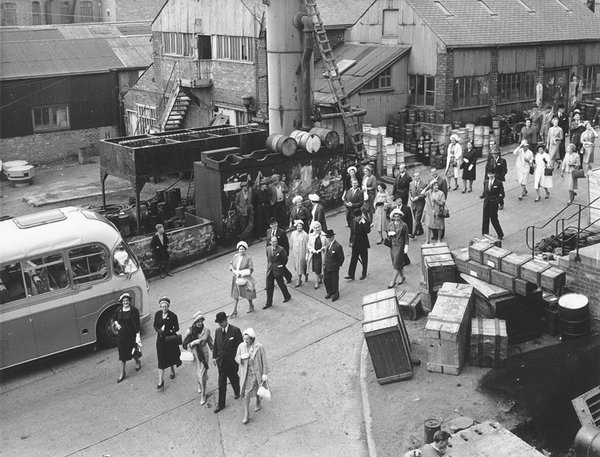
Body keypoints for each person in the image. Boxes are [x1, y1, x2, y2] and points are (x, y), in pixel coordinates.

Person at [235, 328, 269, 425]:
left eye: (248, 339)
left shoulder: (259, 347)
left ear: (252, 338)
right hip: (246, 375)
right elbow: (236, 358)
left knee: (258, 389)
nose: (246, 341)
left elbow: (264, 361)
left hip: (257, 374)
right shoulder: (241, 346)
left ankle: (258, 401)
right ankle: (246, 413)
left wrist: (264, 374)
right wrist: (241, 358)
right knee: (246, 394)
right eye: (244, 339)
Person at [212, 311, 243, 413]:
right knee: (221, 383)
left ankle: (237, 392)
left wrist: (238, 358)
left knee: (233, 377)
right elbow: (215, 345)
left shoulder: (235, 330)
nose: (221, 324)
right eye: (219, 322)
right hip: (221, 361)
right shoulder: (217, 331)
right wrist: (214, 357)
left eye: (222, 321)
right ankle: (221, 404)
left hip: (231, 361)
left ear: (226, 320)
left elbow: (241, 346)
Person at [182, 312, 213, 405]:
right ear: (194, 323)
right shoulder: (190, 331)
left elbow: (208, 342)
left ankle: (203, 394)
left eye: (201, 321)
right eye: (197, 321)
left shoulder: (206, 330)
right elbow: (184, 343)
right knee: (196, 372)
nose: (200, 323)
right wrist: (188, 345)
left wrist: (215, 354)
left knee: (202, 375)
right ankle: (199, 384)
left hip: (203, 355)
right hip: (194, 355)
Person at [153, 297, 181, 390]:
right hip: (160, 340)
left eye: (166, 306)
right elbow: (155, 325)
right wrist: (159, 330)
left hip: (169, 339)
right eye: (162, 306)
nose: (164, 308)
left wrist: (170, 330)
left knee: (170, 356)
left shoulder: (173, 316)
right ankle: (161, 381)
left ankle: (172, 369)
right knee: (161, 358)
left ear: (168, 306)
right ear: (160, 306)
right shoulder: (157, 314)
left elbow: (177, 328)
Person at [112, 292, 141, 383]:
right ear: (121, 302)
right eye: (124, 301)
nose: (125, 302)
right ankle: (122, 373)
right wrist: (116, 324)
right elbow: (114, 318)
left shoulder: (134, 310)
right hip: (121, 335)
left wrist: (137, 335)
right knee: (122, 353)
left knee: (132, 351)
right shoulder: (118, 310)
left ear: (129, 301)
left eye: (127, 300)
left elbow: (137, 324)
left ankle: (138, 362)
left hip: (131, 334)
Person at [229, 241, 256, 316]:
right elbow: (231, 263)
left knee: (247, 293)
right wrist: (231, 268)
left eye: (243, 249)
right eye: (240, 249)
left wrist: (242, 273)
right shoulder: (235, 256)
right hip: (236, 278)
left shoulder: (248, 258)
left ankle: (251, 305)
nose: (241, 250)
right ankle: (234, 310)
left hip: (244, 279)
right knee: (235, 294)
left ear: (245, 250)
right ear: (238, 249)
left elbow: (251, 269)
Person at [264, 235, 291, 309]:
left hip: (278, 269)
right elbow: (268, 259)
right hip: (270, 270)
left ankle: (287, 296)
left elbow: (285, 259)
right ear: (270, 242)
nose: (275, 243)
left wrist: (280, 266)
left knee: (281, 284)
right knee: (269, 286)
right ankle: (268, 303)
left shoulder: (281, 249)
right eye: (273, 242)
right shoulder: (268, 249)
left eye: (276, 241)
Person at [387, 208, 409, 288]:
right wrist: (389, 234)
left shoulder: (404, 225)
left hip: (400, 246)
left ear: (400, 216)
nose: (397, 218)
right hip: (392, 246)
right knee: (396, 263)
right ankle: (402, 277)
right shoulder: (391, 224)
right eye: (395, 216)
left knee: (397, 263)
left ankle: (393, 281)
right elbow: (388, 233)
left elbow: (406, 237)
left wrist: (406, 246)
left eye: (398, 216)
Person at [345, 209, 370, 281]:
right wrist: (350, 242)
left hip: (363, 243)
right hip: (355, 243)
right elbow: (352, 232)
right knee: (353, 259)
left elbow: (368, 231)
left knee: (364, 259)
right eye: (355, 217)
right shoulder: (353, 221)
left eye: (357, 217)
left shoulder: (365, 221)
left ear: (360, 216)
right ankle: (351, 274)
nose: (356, 218)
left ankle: (364, 273)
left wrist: (364, 223)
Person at [266, 217, 292, 283]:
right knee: (271, 266)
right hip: (271, 252)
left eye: (275, 223)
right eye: (272, 224)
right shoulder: (268, 231)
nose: (274, 225)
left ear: (277, 224)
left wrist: (286, 253)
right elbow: (267, 242)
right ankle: (270, 281)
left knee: (280, 266)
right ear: (270, 225)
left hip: (279, 252)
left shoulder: (281, 232)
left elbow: (286, 244)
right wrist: (267, 250)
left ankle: (288, 276)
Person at [482, 171, 505, 240]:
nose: (490, 176)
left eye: (492, 174)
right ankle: (485, 233)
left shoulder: (498, 183)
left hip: (493, 204)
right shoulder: (485, 182)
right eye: (489, 174)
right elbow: (485, 191)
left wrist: (500, 202)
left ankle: (500, 234)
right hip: (486, 203)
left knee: (494, 219)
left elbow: (501, 194)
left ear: (494, 174)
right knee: (485, 219)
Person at [323, 229, 344, 302]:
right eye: (327, 237)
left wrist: (337, 265)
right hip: (327, 266)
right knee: (326, 279)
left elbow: (341, 258)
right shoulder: (328, 245)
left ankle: (335, 294)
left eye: (329, 237)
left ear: (332, 237)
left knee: (334, 281)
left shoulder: (337, 246)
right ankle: (329, 292)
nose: (328, 239)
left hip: (334, 267)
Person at [343, 178, 366, 246]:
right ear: (351, 184)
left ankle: (353, 241)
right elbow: (345, 200)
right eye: (353, 183)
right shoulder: (349, 191)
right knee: (351, 227)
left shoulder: (360, 192)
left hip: (356, 212)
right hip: (349, 212)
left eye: (355, 183)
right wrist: (346, 204)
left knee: (355, 228)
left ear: (358, 184)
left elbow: (361, 203)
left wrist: (352, 205)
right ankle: (353, 240)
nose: (354, 184)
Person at [306, 221, 327, 289]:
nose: (318, 229)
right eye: (316, 227)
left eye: (319, 227)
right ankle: (318, 280)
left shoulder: (324, 235)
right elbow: (308, 245)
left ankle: (318, 280)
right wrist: (312, 250)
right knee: (316, 268)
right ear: (313, 229)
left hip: (321, 254)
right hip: (314, 254)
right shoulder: (311, 236)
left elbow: (327, 244)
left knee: (320, 267)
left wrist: (323, 248)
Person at [290, 220, 309, 287]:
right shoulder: (293, 233)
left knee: (301, 266)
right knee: (296, 267)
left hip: (302, 253)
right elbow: (291, 243)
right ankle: (303, 276)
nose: (299, 228)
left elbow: (307, 245)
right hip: (295, 253)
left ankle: (299, 279)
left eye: (300, 226)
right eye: (298, 226)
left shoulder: (305, 235)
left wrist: (307, 254)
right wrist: (291, 251)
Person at [409, 172, 427, 237]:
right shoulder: (411, 184)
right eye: (416, 176)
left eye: (418, 176)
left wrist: (418, 197)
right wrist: (411, 198)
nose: (418, 177)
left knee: (417, 218)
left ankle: (414, 233)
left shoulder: (424, 184)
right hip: (413, 203)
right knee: (416, 218)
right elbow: (410, 192)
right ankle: (421, 230)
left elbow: (424, 195)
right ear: (414, 177)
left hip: (420, 203)